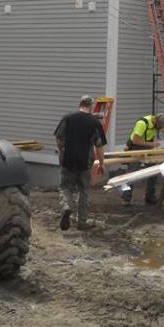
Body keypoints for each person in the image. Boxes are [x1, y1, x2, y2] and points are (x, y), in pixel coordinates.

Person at [54, 95, 107, 231]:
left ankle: (66, 206)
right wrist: (101, 164)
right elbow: (99, 146)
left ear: (80, 104)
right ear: (91, 106)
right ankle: (82, 222)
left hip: (68, 161)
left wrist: (62, 151)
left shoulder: (68, 118)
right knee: (84, 191)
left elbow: (59, 138)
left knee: (65, 187)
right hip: (85, 163)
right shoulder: (95, 123)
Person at [121, 113, 164, 205]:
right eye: (159, 127)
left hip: (148, 146)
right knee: (131, 173)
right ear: (156, 121)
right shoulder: (142, 123)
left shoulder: (158, 122)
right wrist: (152, 144)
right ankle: (126, 198)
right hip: (136, 147)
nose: (159, 129)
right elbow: (135, 140)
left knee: (153, 171)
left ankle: (150, 196)